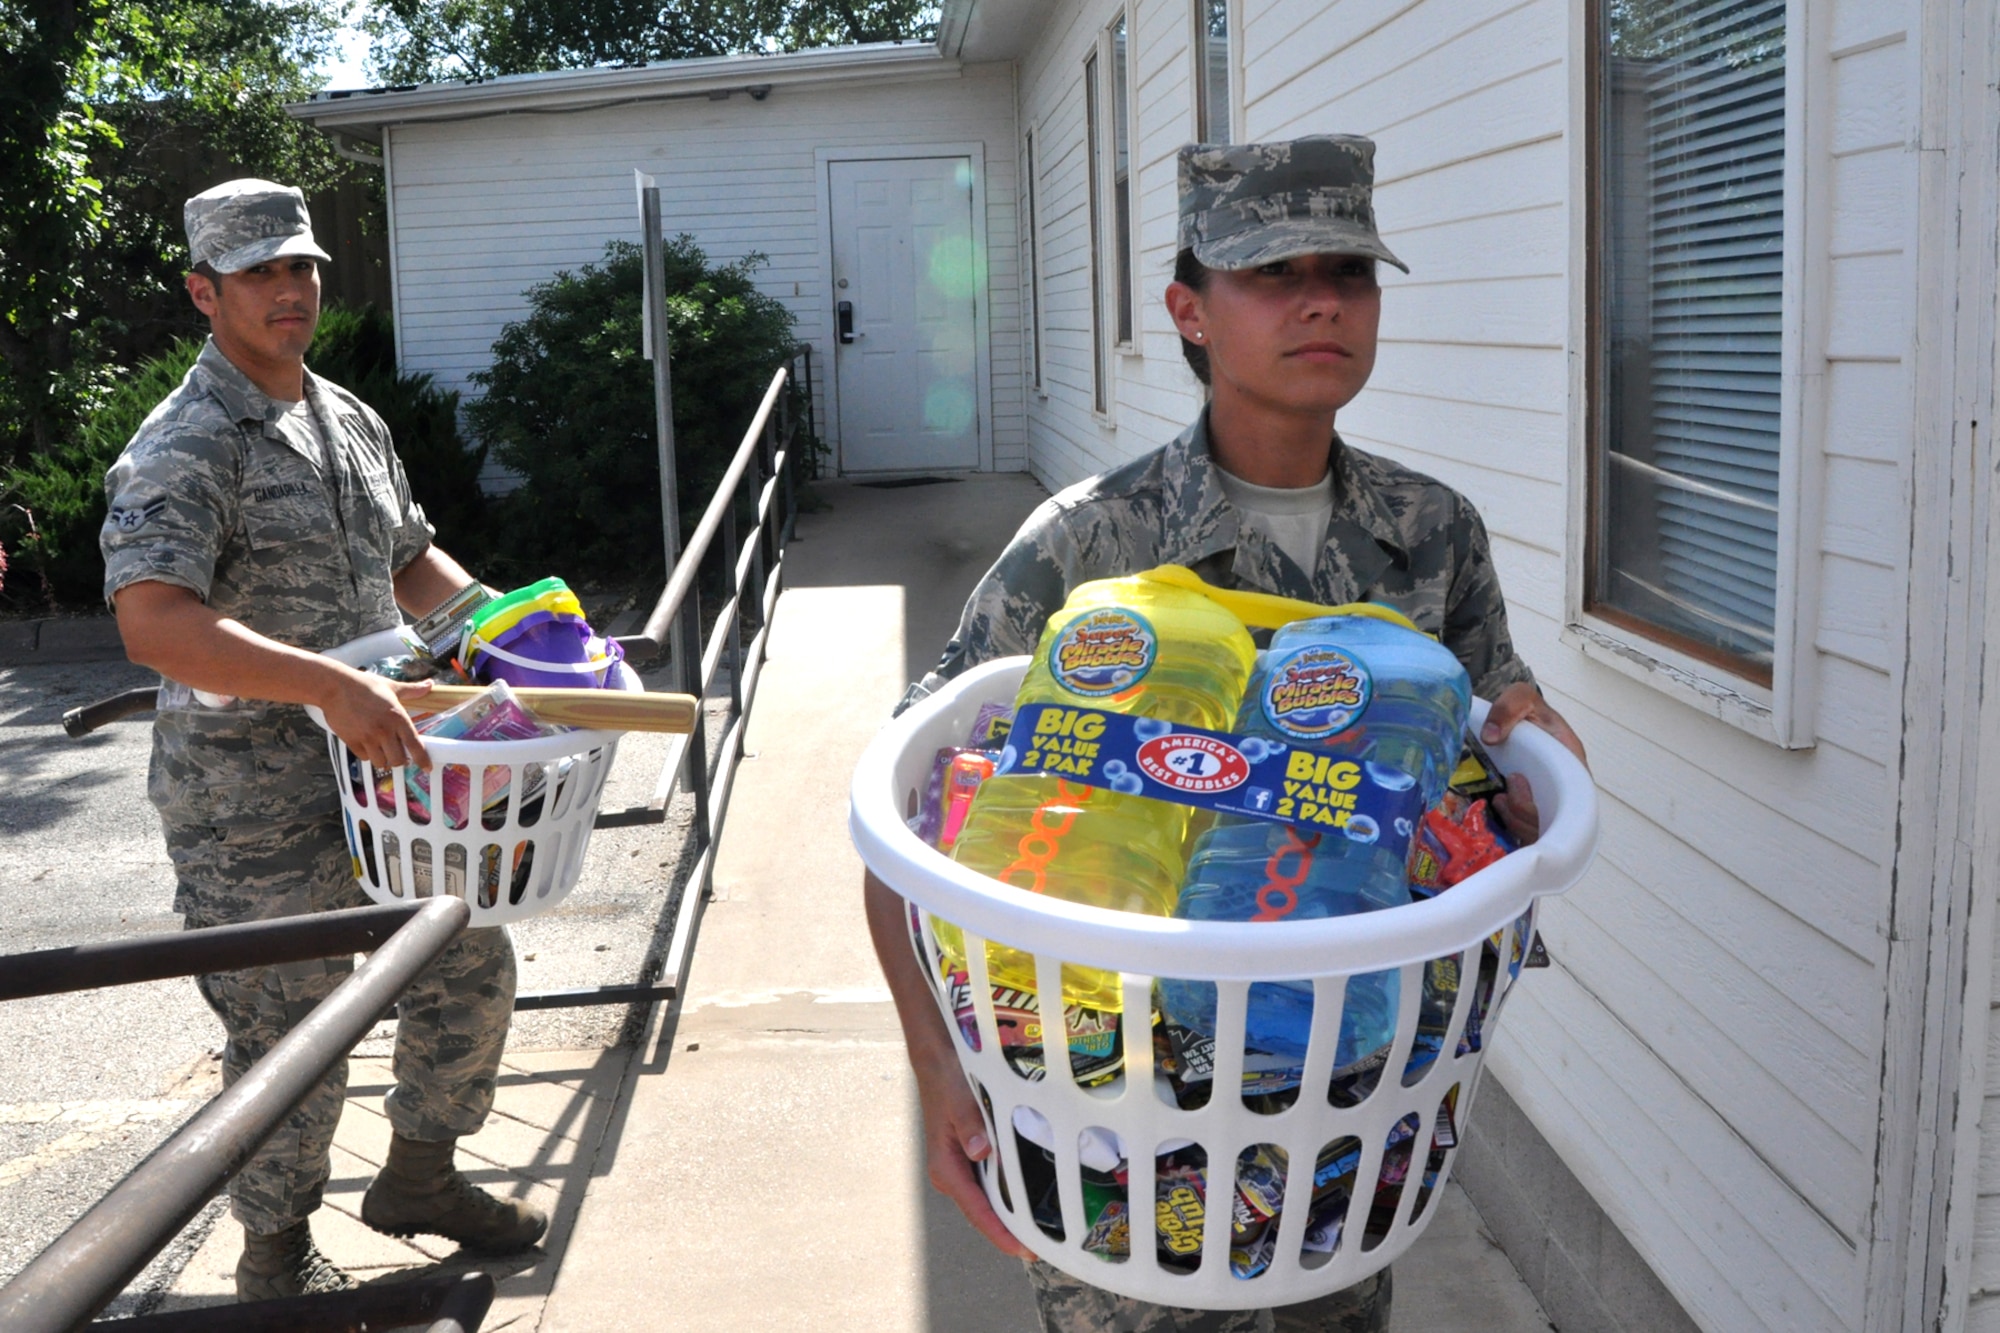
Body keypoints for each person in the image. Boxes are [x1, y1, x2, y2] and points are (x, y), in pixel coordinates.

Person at [863, 136, 1587, 1332]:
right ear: (1187, 313)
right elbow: (905, 817)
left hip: (1346, 1097)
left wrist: (1526, 780)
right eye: (1273, 274)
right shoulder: (1085, 545)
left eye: (1348, 273)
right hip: (1109, 1092)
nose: (1321, 300)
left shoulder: (1432, 532)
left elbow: (1490, 767)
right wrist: (937, 1061)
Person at [101, 179, 545, 1301]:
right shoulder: (186, 441)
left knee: (468, 962)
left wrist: (519, 633)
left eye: (299, 267)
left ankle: (419, 1178)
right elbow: (153, 620)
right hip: (251, 799)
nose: (289, 289)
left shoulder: (343, 416)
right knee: (293, 1035)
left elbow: (410, 563)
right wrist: (324, 687)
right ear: (204, 292)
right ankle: (275, 1255)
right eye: (258, 273)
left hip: (387, 776)